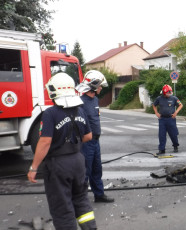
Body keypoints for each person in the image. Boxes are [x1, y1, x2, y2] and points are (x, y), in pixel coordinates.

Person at [27, 73, 97, 230]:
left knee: (62, 205)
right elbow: (88, 136)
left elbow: (45, 142)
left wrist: (34, 168)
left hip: (58, 165)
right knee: (80, 199)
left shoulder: (50, 113)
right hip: (78, 161)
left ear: (54, 91)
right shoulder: (80, 110)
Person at [75, 70, 114, 203]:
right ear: (93, 86)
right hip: (86, 143)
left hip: (95, 141)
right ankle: (80, 199)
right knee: (85, 171)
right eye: (100, 85)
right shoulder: (80, 102)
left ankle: (99, 195)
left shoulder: (95, 99)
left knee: (97, 169)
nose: (101, 88)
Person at [152, 84, 183, 154]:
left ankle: (175, 146)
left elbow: (181, 105)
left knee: (173, 134)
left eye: (170, 93)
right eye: (167, 93)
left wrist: (176, 112)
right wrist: (156, 113)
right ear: (163, 92)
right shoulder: (159, 98)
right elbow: (154, 105)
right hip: (162, 119)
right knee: (161, 135)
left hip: (171, 119)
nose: (169, 94)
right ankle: (162, 149)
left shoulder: (174, 98)